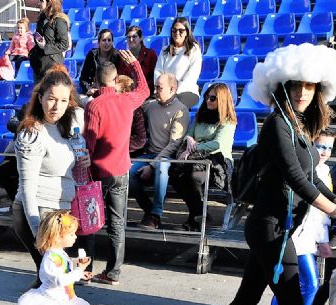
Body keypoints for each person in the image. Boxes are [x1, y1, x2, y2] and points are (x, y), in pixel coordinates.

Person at [191, 43, 336, 305]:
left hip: (276, 227)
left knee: (245, 299)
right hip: (271, 227)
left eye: (309, 86)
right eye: (296, 85)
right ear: (282, 86)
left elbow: (312, 177)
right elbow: (296, 180)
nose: (302, 93)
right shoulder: (276, 126)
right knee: (290, 303)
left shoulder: (296, 126)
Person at [0, 70, 82, 305]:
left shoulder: (67, 127)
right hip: (37, 215)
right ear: (40, 98)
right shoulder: (31, 132)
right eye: (50, 99)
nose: (56, 106)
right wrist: (40, 236)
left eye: (62, 100)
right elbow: (28, 189)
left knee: (47, 281)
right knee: (53, 281)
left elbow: (72, 167)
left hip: (58, 214)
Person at [260, 129, 335, 305]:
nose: (324, 152)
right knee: (310, 284)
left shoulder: (325, 171)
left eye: (329, 148)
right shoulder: (305, 169)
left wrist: (324, 238)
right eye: (320, 146)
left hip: (309, 235)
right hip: (296, 233)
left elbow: (321, 214)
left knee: (293, 283)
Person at [83, 53, 148, 286]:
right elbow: (144, 90)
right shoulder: (126, 100)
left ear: (98, 82)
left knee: (89, 221)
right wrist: (135, 64)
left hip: (98, 172)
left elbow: (89, 144)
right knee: (117, 222)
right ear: (115, 80)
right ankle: (113, 272)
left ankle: (85, 270)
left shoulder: (94, 106)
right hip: (121, 170)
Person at [171, 82, 237, 229]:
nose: (208, 100)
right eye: (207, 97)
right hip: (196, 158)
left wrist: (192, 149)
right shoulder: (201, 115)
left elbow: (217, 144)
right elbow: (190, 133)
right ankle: (200, 213)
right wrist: (188, 139)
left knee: (192, 175)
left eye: (212, 98)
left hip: (218, 161)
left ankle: (194, 220)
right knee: (174, 174)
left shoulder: (227, 121)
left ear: (222, 100)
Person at [130, 73, 187, 230]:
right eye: (155, 87)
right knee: (127, 173)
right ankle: (149, 211)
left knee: (162, 167)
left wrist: (152, 165)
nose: (155, 91)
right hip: (149, 154)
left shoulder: (181, 110)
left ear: (172, 89)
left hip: (168, 158)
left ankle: (156, 214)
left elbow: (174, 144)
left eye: (159, 88)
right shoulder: (151, 105)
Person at [153, 17, 203, 109]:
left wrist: (174, 92)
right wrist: (162, 89)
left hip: (186, 91)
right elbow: (158, 72)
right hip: (164, 91)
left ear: (187, 32)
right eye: (174, 30)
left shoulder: (194, 49)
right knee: (150, 106)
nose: (177, 33)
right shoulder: (165, 51)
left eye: (181, 31)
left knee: (173, 105)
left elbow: (192, 75)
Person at [30, 0, 71, 82]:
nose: (39, 4)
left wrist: (45, 47)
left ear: (50, 3)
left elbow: (64, 44)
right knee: (38, 92)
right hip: (38, 62)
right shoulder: (41, 18)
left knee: (49, 91)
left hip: (52, 64)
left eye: (42, 1)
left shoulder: (59, 20)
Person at [79, 28, 119, 94]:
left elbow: (119, 77)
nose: (107, 43)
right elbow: (83, 77)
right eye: (104, 40)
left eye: (109, 40)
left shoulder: (117, 56)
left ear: (112, 42)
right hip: (94, 90)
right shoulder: (92, 55)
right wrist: (88, 89)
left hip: (111, 91)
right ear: (98, 42)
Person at [120, 26, 158, 91]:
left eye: (134, 37)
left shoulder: (150, 54)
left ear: (141, 38)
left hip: (146, 91)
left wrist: (137, 85)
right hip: (127, 92)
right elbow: (120, 77)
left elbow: (154, 78)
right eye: (129, 37)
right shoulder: (123, 56)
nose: (131, 39)